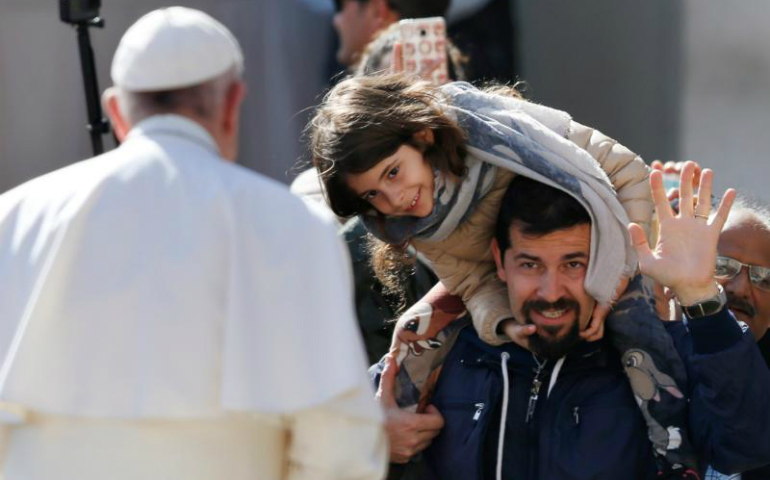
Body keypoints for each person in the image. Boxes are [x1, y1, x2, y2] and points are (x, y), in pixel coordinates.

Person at [0, 7, 385, 480]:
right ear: (232, 104)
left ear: (116, 111)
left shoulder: (13, 217)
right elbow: (338, 440)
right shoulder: (294, 223)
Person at [309, 73, 706, 472]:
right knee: (413, 331)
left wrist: (616, 280)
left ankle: (674, 454)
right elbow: (470, 282)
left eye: (393, 173)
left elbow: (629, 173)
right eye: (373, 194)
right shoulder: (409, 219)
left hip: (607, 257)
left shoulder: (501, 127)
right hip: (509, 280)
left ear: (423, 138)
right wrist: (501, 325)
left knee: (638, 335)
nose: (394, 199)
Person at [375, 165, 770, 479]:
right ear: (499, 259)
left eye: (574, 264)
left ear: (604, 262)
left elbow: (743, 448)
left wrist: (701, 296)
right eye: (530, 264)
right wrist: (373, 440)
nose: (551, 291)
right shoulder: (447, 349)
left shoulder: (659, 356)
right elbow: (324, 433)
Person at [332, 0, 451, 67]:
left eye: (339, 6)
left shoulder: (360, 103)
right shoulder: (461, 95)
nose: (336, 21)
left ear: (377, 10)